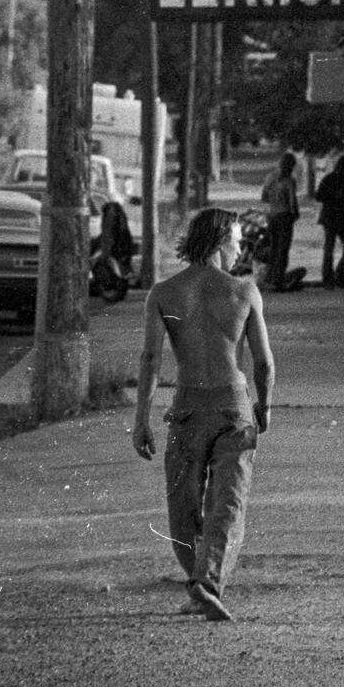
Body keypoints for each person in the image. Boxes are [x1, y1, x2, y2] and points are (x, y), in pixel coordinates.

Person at [131, 206, 274, 623]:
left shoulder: (165, 293)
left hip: (188, 409)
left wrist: (141, 419)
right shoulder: (244, 292)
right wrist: (264, 405)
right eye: (235, 239)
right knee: (228, 502)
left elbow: (150, 359)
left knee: (184, 505)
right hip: (233, 405)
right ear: (217, 242)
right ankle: (207, 583)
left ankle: (200, 583)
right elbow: (264, 363)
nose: (239, 248)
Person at [260, 151, 300, 291]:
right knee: (283, 250)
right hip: (285, 217)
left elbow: (264, 197)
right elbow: (292, 202)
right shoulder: (289, 180)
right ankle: (278, 281)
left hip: (272, 216)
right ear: (291, 166)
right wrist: (295, 214)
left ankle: (269, 279)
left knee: (274, 249)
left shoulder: (270, 177)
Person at [314, 153, 344, 288]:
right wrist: (334, 195)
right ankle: (332, 277)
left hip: (336, 217)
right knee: (332, 248)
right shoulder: (329, 179)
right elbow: (319, 196)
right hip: (333, 217)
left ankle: (336, 276)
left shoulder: (342, 179)